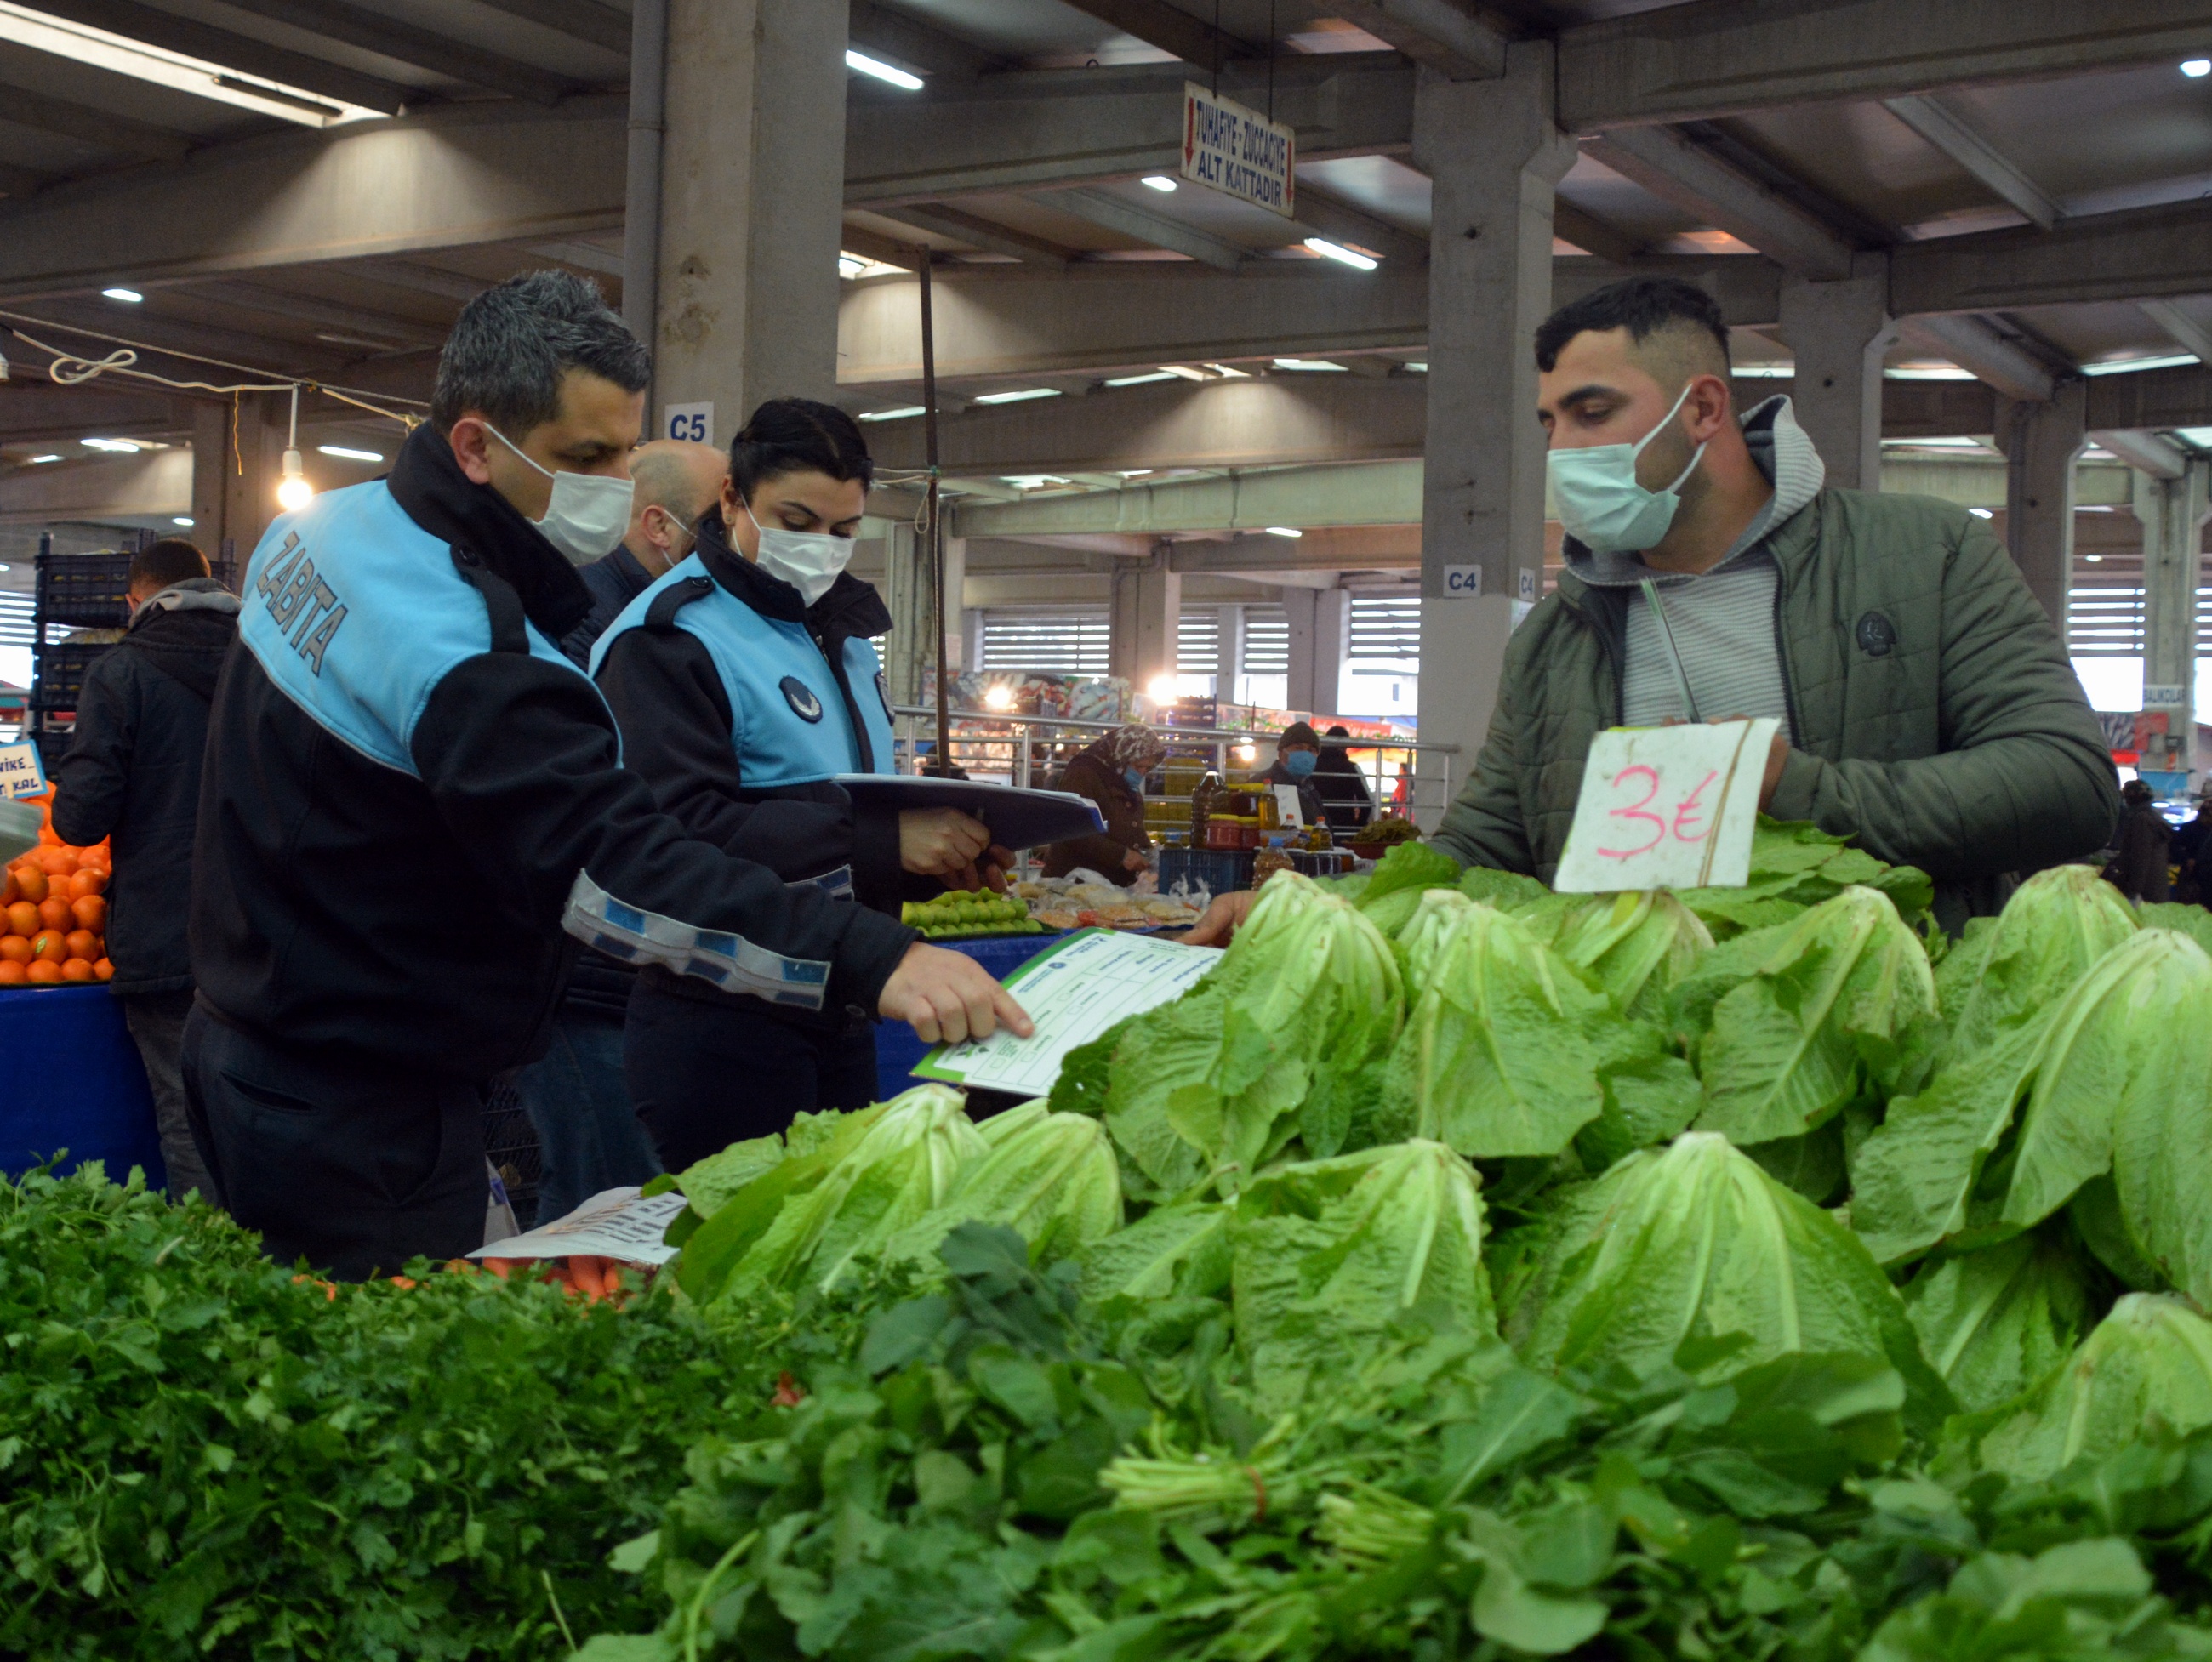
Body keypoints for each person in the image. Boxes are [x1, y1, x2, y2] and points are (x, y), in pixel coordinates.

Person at [185, 272, 1027, 1281]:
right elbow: (618, 867)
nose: (620, 484)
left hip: (257, 1038)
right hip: (355, 1096)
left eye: (624, 448)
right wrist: (869, 956)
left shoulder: (331, 528)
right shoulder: (470, 652)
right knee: (375, 1387)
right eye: (584, 457)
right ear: (474, 446)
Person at [1189, 276, 2117, 944]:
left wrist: (1795, 789)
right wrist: (1332, 906)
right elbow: (1482, 846)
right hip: (1628, 1055)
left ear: (1702, 407)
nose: (1560, 447)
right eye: (1549, 421)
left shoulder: (1925, 554)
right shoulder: (1558, 635)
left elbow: (2065, 783)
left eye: (1591, 412)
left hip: (1877, 1037)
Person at [592, 398, 1010, 1169]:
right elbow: (678, 834)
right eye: (796, 519)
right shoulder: (670, 639)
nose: (821, 547)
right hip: (723, 1018)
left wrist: (932, 858)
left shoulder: (844, 639)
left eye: (844, 531)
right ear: (730, 499)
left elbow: (844, 795)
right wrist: (882, 843)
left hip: (838, 1002)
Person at [505, 440, 727, 1224]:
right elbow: (588, 812)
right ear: (661, 528)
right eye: (719, 518)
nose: (734, 533)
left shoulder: (690, 626)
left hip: (645, 972)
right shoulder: (586, 625)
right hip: (584, 979)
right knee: (603, 1204)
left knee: (608, 1198)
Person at [50, 538, 238, 1204]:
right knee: (263, 1119)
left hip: (166, 933)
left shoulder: (122, 673)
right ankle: (286, 1280)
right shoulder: (275, 666)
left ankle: (212, 1278)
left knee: (188, 1123)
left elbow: (78, 821)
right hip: (270, 934)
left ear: (138, 600)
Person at [556, 437, 725, 665]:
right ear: (660, 526)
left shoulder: (674, 595)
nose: (729, 537)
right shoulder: (586, 621)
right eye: (717, 523)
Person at [1040, 725, 1166, 885]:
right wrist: (1122, 855)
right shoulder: (1083, 774)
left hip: (1109, 885)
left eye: (1147, 768)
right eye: (1138, 766)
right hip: (1073, 882)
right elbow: (1072, 829)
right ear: (1122, 756)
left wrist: (1148, 855)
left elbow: (1132, 826)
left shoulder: (1123, 781)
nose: (1141, 773)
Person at [2107, 778, 2173, 903]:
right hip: (2155, 886)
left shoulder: (2141, 820)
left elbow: (2141, 857)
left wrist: (2133, 889)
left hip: (2145, 892)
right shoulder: (2152, 817)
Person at [1254, 720, 1325, 828]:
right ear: (1281, 753)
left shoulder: (1309, 788)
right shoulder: (1262, 785)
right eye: (1298, 748)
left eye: (1311, 750)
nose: (1305, 754)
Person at [1311, 724, 1375, 833]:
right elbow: (1368, 803)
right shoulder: (1351, 768)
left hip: (1314, 827)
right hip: (1343, 828)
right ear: (1345, 746)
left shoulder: (1312, 766)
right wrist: (1358, 826)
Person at [2169, 782, 2212, 906]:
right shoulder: (2189, 829)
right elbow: (2175, 847)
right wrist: (2187, 859)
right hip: (2192, 874)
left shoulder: (2189, 828)